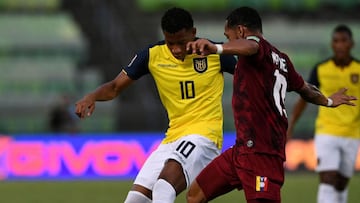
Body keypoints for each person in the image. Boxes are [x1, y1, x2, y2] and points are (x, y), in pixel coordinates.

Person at [185, 7, 357, 203]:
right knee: (195, 195)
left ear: (241, 31)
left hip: (263, 155)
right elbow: (306, 88)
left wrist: (217, 48)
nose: (229, 40)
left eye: (229, 36)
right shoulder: (282, 60)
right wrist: (327, 100)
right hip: (241, 151)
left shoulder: (256, 48)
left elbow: (252, 46)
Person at [75, 7, 237, 203]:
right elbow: (115, 86)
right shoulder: (152, 56)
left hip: (204, 136)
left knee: (163, 187)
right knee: (135, 199)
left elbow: (248, 75)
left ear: (193, 33)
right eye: (171, 44)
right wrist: (91, 96)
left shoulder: (214, 52)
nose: (176, 50)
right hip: (172, 138)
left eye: (182, 43)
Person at [287, 24, 360, 203]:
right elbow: (305, 97)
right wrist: (292, 124)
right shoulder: (321, 69)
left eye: (344, 41)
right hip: (326, 131)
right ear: (332, 45)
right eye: (336, 41)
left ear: (351, 44)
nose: (340, 45)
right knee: (327, 179)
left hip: (352, 133)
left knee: (341, 184)